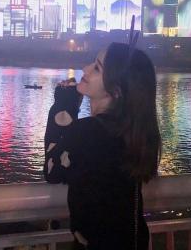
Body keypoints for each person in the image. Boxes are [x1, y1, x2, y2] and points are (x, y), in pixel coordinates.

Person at [43, 42, 161, 250]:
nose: (85, 69)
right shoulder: (132, 134)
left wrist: (64, 105)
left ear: (116, 90)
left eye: (97, 68)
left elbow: (52, 170)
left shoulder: (88, 132)